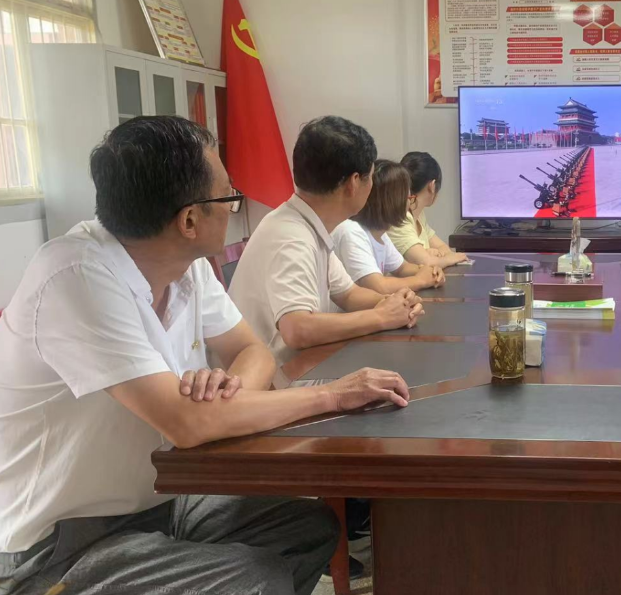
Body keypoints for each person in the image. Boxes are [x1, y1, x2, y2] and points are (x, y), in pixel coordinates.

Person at [0, 116, 413, 595]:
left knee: (310, 528)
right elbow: (188, 424)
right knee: (255, 578)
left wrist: (228, 390)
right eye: (228, 197)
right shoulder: (74, 276)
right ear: (190, 220)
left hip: (157, 499)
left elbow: (252, 351)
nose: (234, 207)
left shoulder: (184, 264)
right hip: (60, 543)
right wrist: (335, 396)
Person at [229, 116, 425, 368]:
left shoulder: (308, 225)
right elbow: (297, 328)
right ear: (354, 182)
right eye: (371, 177)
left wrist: (396, 302)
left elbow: (349, 294)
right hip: (273, 379)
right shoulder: (292, 237)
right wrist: (381, 317)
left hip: (297, 368)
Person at [332, 159, 447, 293]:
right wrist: (421, 280)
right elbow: (378, 286)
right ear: (394, 202)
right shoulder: (351, 231)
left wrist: (429, 271)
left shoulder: (380, 233)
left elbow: (402, 268)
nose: (409, 205)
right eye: (409, 199)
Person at [388, 151, 470, 268]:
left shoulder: (419, 213)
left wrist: (436, 256)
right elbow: (427, 262)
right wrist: (441, 258)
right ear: (432, 186)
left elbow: (443, 248)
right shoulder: (400, 218)